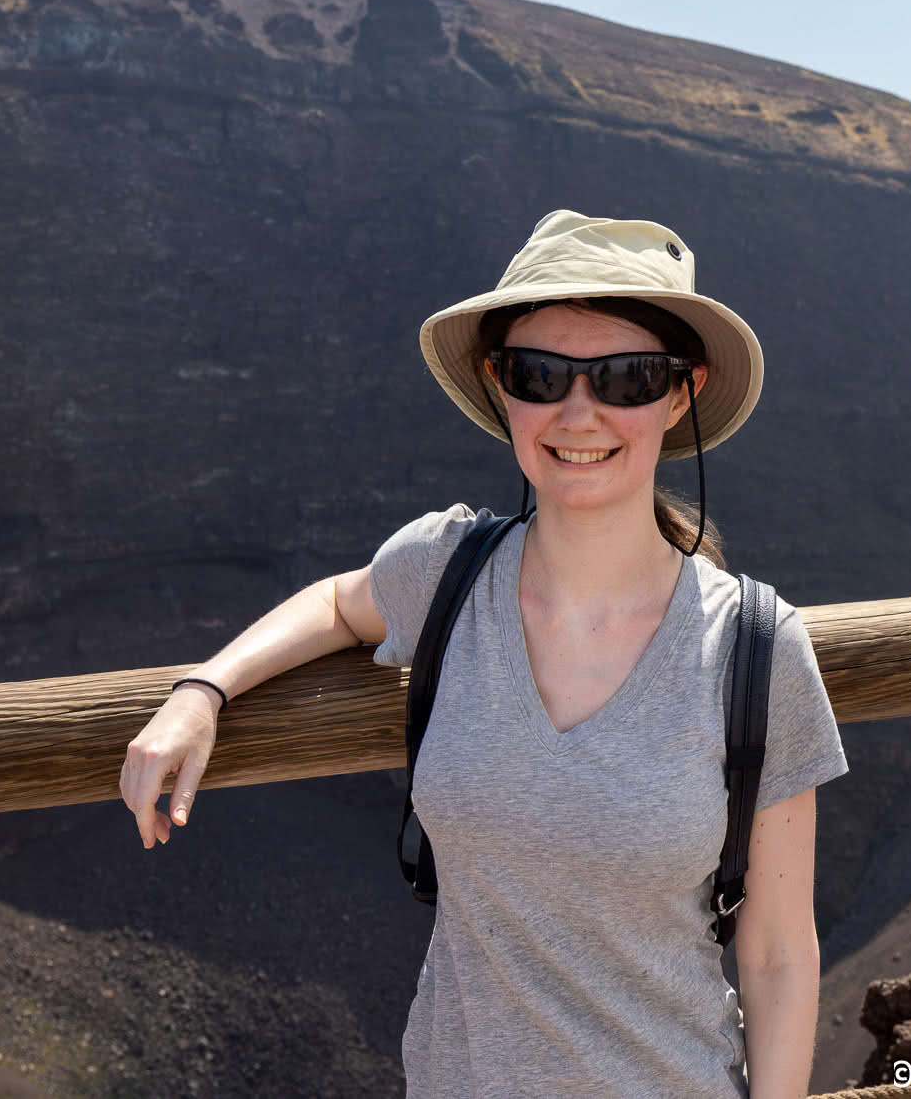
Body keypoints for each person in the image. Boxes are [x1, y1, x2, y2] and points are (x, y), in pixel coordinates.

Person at [121, 210, 849, 1097]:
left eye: (626, 377)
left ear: (680, 393)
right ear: (500, 388)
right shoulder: (445, 572)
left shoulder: (758, 651)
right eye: (541, 373)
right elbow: (338, 602)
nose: (579, 413)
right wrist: (203, 690)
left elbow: (777, 955)